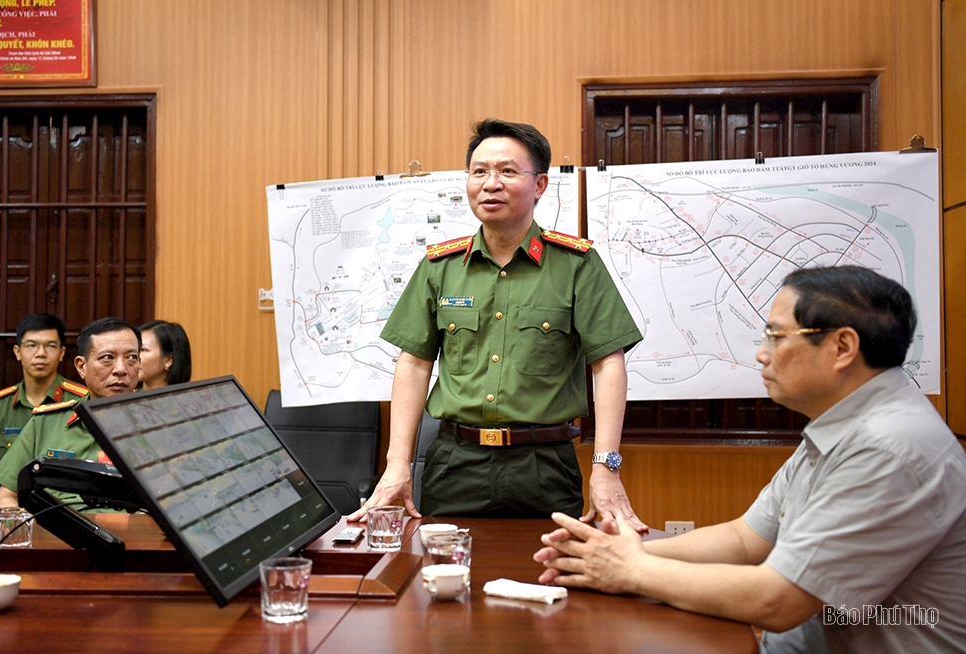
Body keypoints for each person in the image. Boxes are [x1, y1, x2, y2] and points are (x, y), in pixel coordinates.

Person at [534, 266, 966, 653]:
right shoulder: (852, 420)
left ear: (842, 347)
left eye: (776, 337)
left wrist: (632, 570)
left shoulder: (889, 446)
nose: (762, 353)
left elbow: (777, 600)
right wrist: (623, 549)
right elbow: (745, 539)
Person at [350, 118, 645, 526]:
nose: (490, 184)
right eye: (479, 171)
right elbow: (414, 363)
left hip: (544, 464)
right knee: (445, 581)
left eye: (507, 171)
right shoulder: (441, 267)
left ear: (539, 185)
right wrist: (397, 464)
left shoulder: (576, 265)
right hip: (455, 462)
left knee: (550, 583)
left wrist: (606, 467)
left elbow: (608, 363)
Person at [0, 317, 142, 511]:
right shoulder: (45, 424)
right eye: (107, 358)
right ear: (81, 366)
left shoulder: (164, 426)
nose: (121, 369)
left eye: (131, 358)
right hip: (59, 537)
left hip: (140, 538)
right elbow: (4, 499)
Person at [0, 313, 89, 464]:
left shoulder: (82, 401)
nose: (41, 354)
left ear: (62, 353)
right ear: (17, 352)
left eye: (50, 346)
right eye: (32, 345)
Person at [138, 320, 192, 389]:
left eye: (143, 350)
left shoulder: (186, 398)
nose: (134, 357)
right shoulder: (126, 395)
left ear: (169, 360)